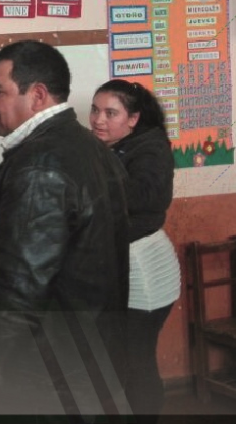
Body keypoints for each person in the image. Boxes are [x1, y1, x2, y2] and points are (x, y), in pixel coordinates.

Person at [0, 40, 130, 420]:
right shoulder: (89, 147)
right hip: (84, 364)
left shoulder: (40, 167)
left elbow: (19, 288)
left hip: (45, 377)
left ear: (37, 95)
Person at [90, 79, 180, 424]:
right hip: (128, 266)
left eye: (110, 113)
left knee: (136, 360)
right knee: (124, 360)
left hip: (144, 270)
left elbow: (145, 198)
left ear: (133, 119)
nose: (99, 119)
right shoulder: (117, 147)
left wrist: (87, 186)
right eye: (95, 110)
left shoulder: (149, 149)